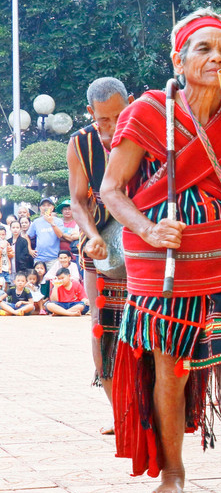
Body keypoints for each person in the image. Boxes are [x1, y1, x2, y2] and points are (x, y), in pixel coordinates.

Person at [100, 8, 221, 493]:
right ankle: (174, 470)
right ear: (178, 58)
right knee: (171, 369)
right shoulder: (149, 112)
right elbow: (112, 190)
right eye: (204, 49)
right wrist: (149, 228)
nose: (216, 58)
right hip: (164, 260)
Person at [66, 77, 133, 427]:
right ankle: (118, 411)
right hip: (100, 246)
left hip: (142, 244)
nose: (111, 126)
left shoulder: (145, 133)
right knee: (101, 325)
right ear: (90, 112)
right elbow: (77, 201)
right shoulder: (80, 143)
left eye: (117, 116)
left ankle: (150, 406)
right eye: (102, 119)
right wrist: (92, 235)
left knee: (148, 325)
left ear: (131, 103)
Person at [27, 198, 67, 272]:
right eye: (44, 205)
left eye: (48, 205)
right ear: (40, 208)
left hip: (53, 258)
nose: (46, 207)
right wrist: (30, 249)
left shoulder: (58, 221)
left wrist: (52, 223)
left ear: (52, 208)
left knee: (53, 280)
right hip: (39, 257)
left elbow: (60, 235)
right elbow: (27, 236)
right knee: (38, 280)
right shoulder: (36, 222)